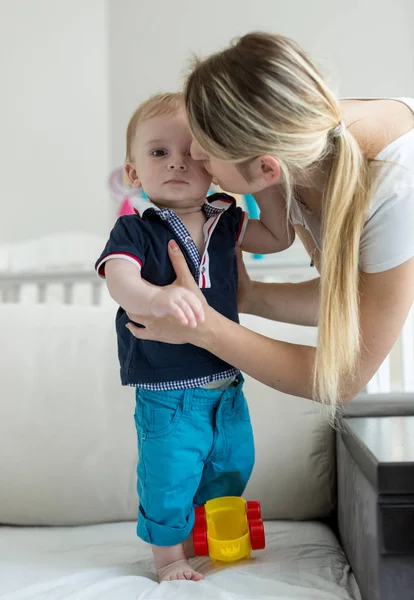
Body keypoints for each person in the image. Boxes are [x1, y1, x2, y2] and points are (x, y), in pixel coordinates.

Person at [125, 32, 414, 409]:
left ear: (265, 170)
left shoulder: (396, 192)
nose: (194, 154)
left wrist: (204, 330)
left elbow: (341, 379)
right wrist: (246, 296)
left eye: (207, 151)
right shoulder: (297, 145)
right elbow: (347, 297)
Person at [95, 92, 290, 582]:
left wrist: (264, 178)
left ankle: (208, 535)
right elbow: (119, 277)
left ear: (215, 168)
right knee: (169, 475)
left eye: (193, 152)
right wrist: (155, 299)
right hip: (167, 390)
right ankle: (170, 558)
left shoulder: (226, 220)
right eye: (159, 152)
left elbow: (280, 236)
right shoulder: (135, 230)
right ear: (135, 172)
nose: (177, 161)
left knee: (231, 465)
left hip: (225, 383)